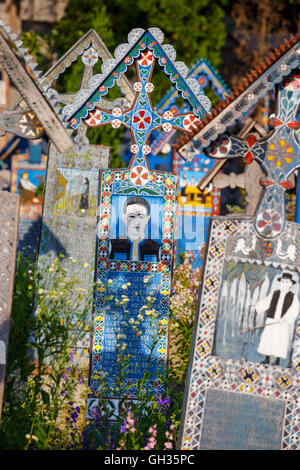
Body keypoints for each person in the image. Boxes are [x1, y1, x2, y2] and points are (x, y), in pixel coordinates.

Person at [253, 272, 299, 366]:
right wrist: (257, 305)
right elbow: (266, 302)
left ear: (290, 284)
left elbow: (294, 309)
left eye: (286, 282)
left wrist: (285, 318)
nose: (284, 283)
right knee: (268, 339)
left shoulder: (293, 297)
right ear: (280, 282)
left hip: (282, 323)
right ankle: (267, 359)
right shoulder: (275, 293)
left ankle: (277, 361)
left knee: (280, 340)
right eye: (282, 281)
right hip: (272, 320)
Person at [109, 196, 161, 262]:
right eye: (132, 216)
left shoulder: (156, 248)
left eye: (141, 217)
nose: (136, 221)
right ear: (124, 218)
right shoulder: (113, 245)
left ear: (147, 219)